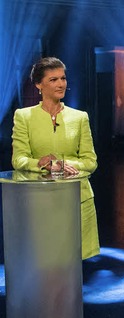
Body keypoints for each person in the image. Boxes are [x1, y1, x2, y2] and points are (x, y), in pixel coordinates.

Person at [12, 57, 99, 260]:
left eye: (63, 78)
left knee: (72, 264)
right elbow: (19, 159)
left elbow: (90, 161)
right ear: (38, 85)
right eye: (53, 80)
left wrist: (64, 165)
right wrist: (41, 164)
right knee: (44, 261)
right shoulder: (23, 116)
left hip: (76, 198)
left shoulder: (79, 117)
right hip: (40, 200)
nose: (60, 84)